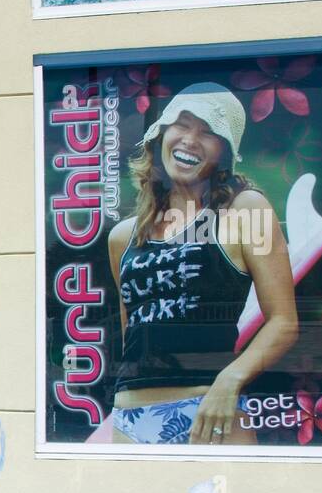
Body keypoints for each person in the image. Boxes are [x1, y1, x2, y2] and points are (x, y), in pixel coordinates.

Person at [106, 82, 299, 446]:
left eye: (209, 132)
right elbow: (132, 333)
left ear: (224, 153)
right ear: (161, 133)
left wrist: (230, 380)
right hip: (130, 420)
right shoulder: (122, 237)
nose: (191, 139)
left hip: (211, 413)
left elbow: (284, 322)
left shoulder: (246, 209)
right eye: (182, 124)